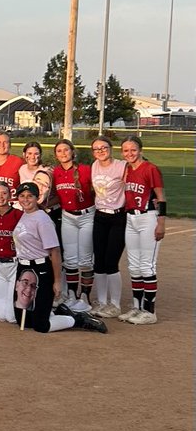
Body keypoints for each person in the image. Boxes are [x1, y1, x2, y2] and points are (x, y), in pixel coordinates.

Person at [10, 181, 105, 333]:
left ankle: (77, 319)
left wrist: (57, 281)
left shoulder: (42, 219)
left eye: (30, 196)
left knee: (41, 326)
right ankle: (58, 312)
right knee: (25, 321)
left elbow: (54, 251)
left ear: (37, 198)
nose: (26, 199)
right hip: (24, 268)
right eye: (22, 196)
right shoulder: (24, 216)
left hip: (40, 268)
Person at [119, 135, 165, 324]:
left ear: (140, 150)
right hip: (131, 218)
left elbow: (161, 197)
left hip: (148, 217)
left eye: (133, 150)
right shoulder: (127, 169)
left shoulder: (150, 168)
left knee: (147, 266)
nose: (129, 153)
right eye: (126, 150)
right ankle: (137, 307)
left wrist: (161, 223)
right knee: (134, 266)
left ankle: (150, 311)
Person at [52, 138, 95, 309]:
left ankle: (84, 296)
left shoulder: (85, 170)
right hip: (67, 216)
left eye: (66, 150)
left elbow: (97, 191)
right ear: (56, 155)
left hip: (87, 215)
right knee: (70, 259)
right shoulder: (55, 172)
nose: (63, 153)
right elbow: (56, 196)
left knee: (85, 259)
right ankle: (71, 294)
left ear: (72, 152)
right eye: (59, 151)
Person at [89, 135, 128, 318]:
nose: (100, 151)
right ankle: (102, 302)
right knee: (99, 262)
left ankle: (115, 304)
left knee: (111, 262)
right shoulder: (95, 166)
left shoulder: (121, 166)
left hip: (117, 217)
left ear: (110, 148)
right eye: (96, 149)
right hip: (100, 216)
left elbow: (133, 184)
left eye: (103, 148)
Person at [0, 182, 22, 324]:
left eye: (4, 193)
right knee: (0, 316)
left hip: (14, 262)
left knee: (11, 317)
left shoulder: (18, 215)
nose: (0, 196)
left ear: (10, 195)